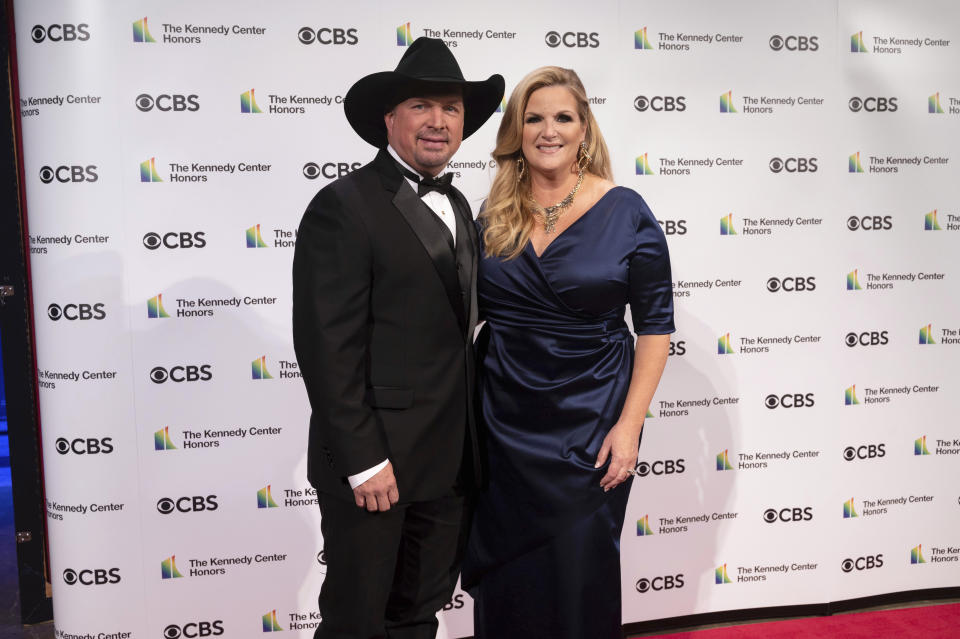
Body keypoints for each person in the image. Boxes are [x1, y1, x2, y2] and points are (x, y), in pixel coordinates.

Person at [292, 38, 504, 639]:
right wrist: (363, 461)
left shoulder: (461, 205)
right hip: (375, 466)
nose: (438, 121)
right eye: (421, 105)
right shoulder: (342, 206)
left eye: (452, 109)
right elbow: (325, 346)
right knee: (358, 621)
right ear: (390, 119)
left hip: (449, 462)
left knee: (419, 613)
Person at [461, 66, 674, 638]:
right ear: (516, 131)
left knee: (582, 566)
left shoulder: (626, 210)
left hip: (593, 418)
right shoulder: (491, 214)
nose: (547, 130)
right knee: (509, 575)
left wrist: (629, 426)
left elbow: (655, 328)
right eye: (533, 118)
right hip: (502, 421)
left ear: (585, 130)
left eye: (562, 117)